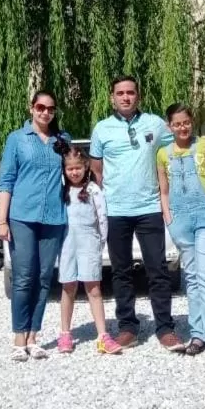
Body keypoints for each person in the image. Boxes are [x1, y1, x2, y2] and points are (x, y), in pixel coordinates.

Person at [89, 75, 205, 352]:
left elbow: (183, 136)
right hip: (116, 210)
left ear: (138, 96)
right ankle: (127, 327)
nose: (126, 97)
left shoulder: (155, 124)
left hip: (149, 208)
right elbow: (97, 171)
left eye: (131, 93)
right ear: (112, 97)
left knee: (158, 269)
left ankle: (165, 328)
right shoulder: (101, 129)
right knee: (120, 271)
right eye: (120, 93)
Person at [158, 103, 205, 362]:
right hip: (180, 220)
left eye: (186, 122)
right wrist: (168, 216)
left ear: (192, 122)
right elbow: (164, 189)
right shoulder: (163, 153)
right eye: (177, 124)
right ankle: (197, 334)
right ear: (170, 126)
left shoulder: (204, 146)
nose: (182, 127)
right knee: (191, 278)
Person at [0, 91, 69, 362]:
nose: (45, 112)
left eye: (50, 108)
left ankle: (34, 336)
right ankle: (18, 337)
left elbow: (75, 171)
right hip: (22, 217)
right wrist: (1, 219)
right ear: (32, 108)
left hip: (54, 217)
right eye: (40, 107)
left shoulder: (62, 140)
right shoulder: (16, 139)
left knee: (44, 277)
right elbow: (6, 180)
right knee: (24, 276)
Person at [57, 147, 122, 356]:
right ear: (64, 170)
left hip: (89, 243)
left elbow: (102, 217)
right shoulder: (62, 191)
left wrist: (100, 242)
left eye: (78, 168)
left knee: (93, 288)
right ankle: (65, 332)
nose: (74, 172)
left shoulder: (94, 190)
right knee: (68, 287)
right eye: (70, 169)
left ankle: (102, 335)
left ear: (85, 167)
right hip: (68, 244)